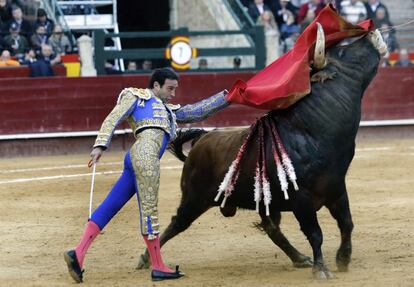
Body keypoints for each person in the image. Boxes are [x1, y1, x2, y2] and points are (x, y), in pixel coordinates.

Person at [63, 68, 230, 283]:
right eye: (169, 88)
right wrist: (100, 145)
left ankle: (78, 253)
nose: (173, 94)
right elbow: (114, 117)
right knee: (149, 210)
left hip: (136, 158)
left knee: (111, 204)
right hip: (145, 157)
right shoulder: (137, 97)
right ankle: (158, 266)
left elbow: (197, 111)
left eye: (175, 89)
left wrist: (227, 97)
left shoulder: (168, 111)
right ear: (156, 85)